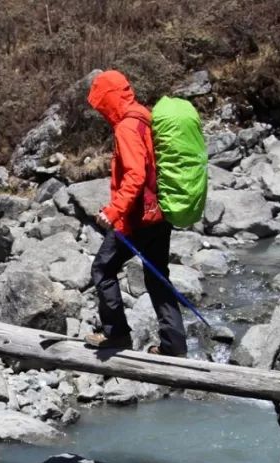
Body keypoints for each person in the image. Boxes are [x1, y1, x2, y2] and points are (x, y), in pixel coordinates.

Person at [85, 70, 186, 357]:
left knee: (102, 269)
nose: (101, 110)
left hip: (137, 219)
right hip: (159, 215)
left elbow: (135, 175)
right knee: (157, 278)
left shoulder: (127, 127)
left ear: (110, 99)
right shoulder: (144, 117)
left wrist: (113, 211)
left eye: (101, 103)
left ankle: (116, 334)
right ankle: (174, 347)